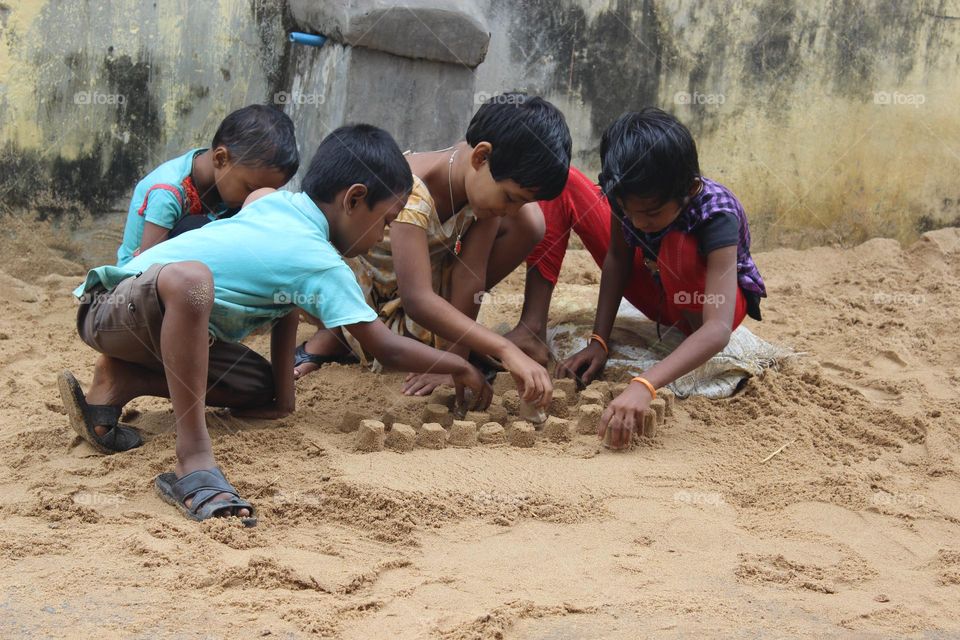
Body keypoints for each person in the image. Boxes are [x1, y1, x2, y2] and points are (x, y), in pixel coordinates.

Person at [59, 124, 492, 526]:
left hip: (143, 326)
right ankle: (193, 460)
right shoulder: (320, 260)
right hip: (114, 306)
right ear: (354, 199)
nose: (382, 235)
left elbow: (287, 296)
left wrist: (283, 397)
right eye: (385, 219)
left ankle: (119, 380)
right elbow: (386, 348)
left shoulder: (276, 202)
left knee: (255, 387)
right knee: (192, 281)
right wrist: (458, 364)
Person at [294, 94, 572, 409]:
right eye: (510, 197)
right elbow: (417, 301)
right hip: (374, 295)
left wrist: (455, 357)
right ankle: (340, 332)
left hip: (423, 282)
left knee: (531, 221)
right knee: (404, 347)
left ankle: (450, 340)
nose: (510, 209)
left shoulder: (477, 181)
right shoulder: (414, 192)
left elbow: (471, 276)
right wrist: (499, 351)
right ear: (481, 157)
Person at [532, 108, 766, 448]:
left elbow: (717, 329)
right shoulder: (625, 192)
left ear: (690, 189)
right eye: (629, 211)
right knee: (565, 181)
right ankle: (530, 326)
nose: (638, 222)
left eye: (652, 212)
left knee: (677, 245)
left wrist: (646, 384)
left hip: (704, 308)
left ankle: (681, 333)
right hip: (655, 285)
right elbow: (617, 257)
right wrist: (600, 339)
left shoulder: (717, 214)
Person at [116, 104, 299, 266]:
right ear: (220, 158)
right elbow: (145, 269)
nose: (255, 200)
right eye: (251, 189)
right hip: (134, 285)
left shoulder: (227, 181)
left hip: (193, 275)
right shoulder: (167, 192)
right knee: (197, 227)